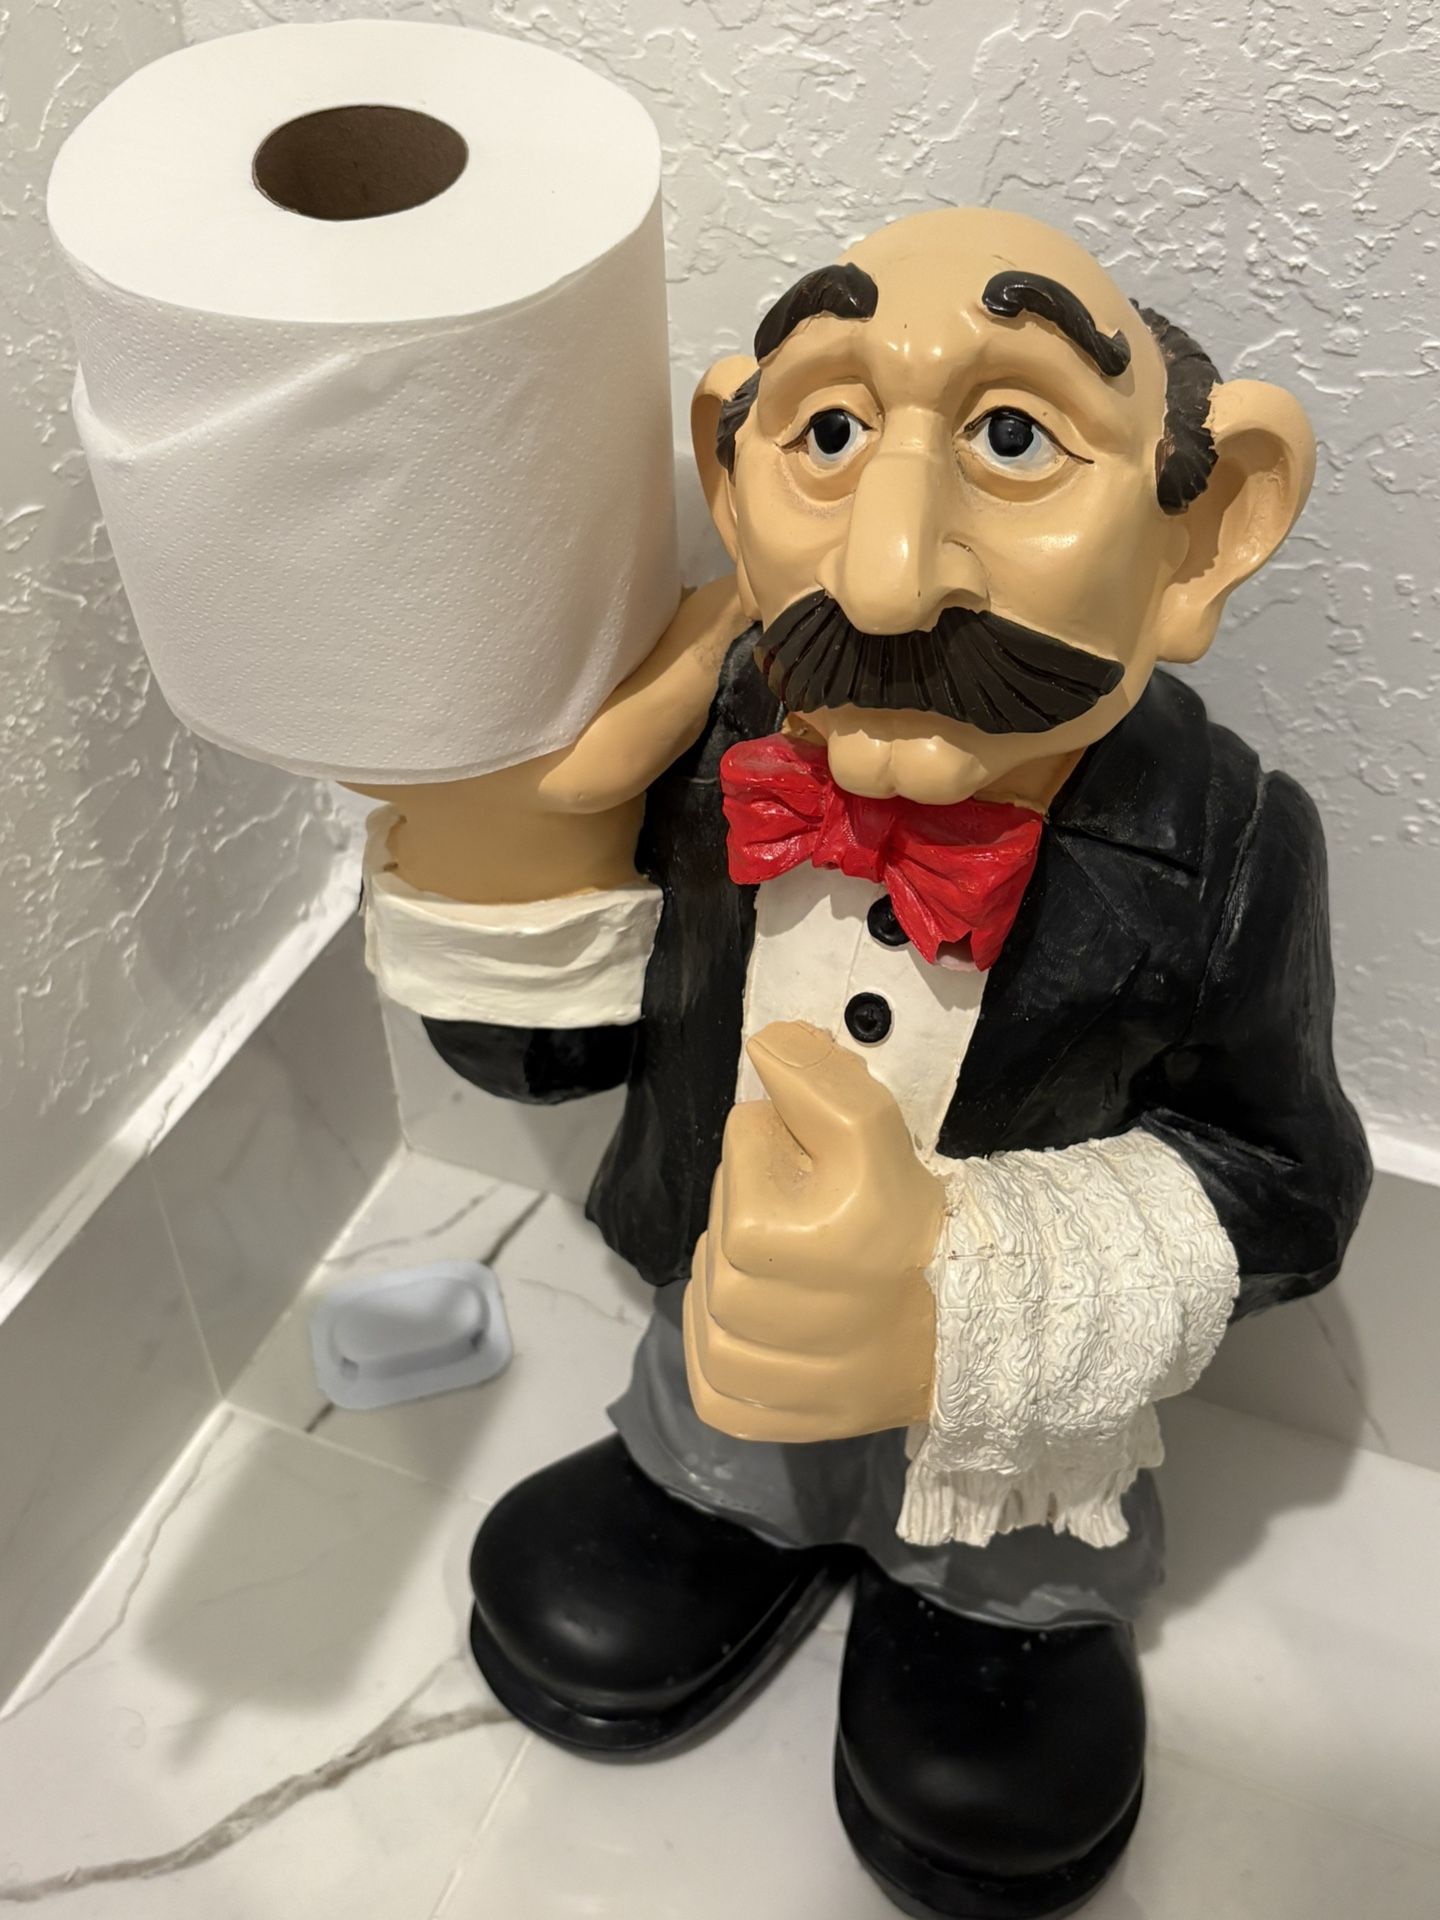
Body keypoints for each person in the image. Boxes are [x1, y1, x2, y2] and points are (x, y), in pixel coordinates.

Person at [356, 207, 1370, 1920]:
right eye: (826, 432)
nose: (888, 576)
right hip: (717, 1368)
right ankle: (724, 1498)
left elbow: (1289, 1181)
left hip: (1011, 1458)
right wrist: (516, 855)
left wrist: (970, 1284)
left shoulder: (1231, 848)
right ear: (729, 468)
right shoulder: (708, 757)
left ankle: (988, 1597)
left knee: (996, 1681)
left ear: (1201, 531)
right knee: (682, 1457)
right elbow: (562, 1061)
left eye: (1016, 438)